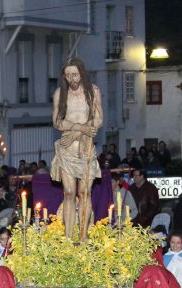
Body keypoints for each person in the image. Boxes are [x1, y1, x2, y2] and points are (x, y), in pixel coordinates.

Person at [51, 57, 103, 239]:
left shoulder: (93, 92)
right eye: (67, 76)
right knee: (69, 192)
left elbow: (98, 119)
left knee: (85, 192)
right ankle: (68, 236)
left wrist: (80, 132)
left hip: (86, 147)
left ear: (81, 73)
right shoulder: (60, 94)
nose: (72, 79)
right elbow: (57, 121)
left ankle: (83, 235)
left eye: (74, 74)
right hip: (67, 148)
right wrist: (79, 128)